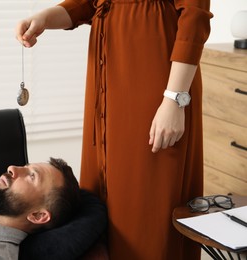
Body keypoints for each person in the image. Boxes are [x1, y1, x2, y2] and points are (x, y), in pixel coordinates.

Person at [16, 1, 212, 259]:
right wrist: (45, 17)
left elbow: (194, 17)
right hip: (108, 80)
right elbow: (88, 4)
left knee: (148, 203)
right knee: (101, 202)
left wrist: (174, 99)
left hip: (156, 82)